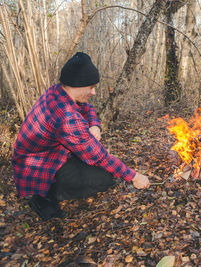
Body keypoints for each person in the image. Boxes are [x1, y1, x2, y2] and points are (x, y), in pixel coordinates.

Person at [12, 52, 149, 220]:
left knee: (101, 172)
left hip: (50, 154)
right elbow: (99, 157)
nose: (94, 92)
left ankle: (51, 188)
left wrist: (94, 124)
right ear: (77, 85)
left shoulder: (59, 91)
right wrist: (134, 176)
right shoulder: (66, 117)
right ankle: (42, 196)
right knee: (104, 179)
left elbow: (87, 108)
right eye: (91, 87)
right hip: (36, 168)